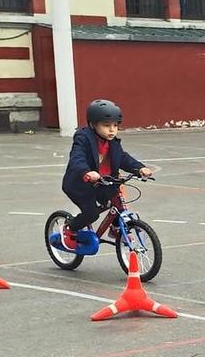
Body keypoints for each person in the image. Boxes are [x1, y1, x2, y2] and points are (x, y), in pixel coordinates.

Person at [53, 99, 156, 256]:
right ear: (93, 124)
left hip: (104, 182)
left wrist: (140, 168)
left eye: (115, 126)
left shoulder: (113, 142)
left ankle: (116, 229)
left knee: (118, 204)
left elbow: (123, 158)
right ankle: (69, 229)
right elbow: (77, 158)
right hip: (81, 185)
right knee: (91, 213)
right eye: (106, 125)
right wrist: (86, 172)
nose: (112, 130)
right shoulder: (83, 138)